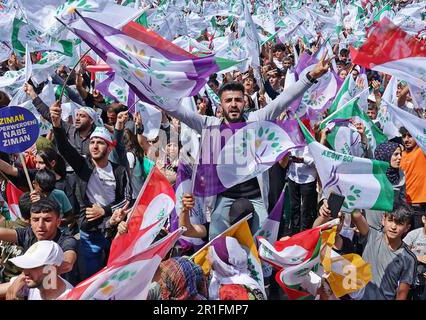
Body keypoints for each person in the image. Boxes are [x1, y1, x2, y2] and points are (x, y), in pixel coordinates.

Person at [165, 54, 331, 239]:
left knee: (263, 242)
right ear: (221, 104)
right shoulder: (210, 125)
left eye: (238, 100)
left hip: (256, 198)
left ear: (244, 102)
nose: (233, 105)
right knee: (216, 241)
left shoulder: (256, 120)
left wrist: (312, 76)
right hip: (223, 199)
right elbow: (176, 110)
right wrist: (144, 87)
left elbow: (285, 98)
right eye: (228, 101)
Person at [50, 101, 131, 279]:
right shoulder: (83, 166)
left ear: (109, 148)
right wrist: (56, 124)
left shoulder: (119, 171)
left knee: (116, 276)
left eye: (100, 143)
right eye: (92, 142)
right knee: (91, 279)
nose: (94, 146)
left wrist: (105, 210)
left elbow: (127, 199)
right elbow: (64, 147)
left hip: (115, 231)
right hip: (90, 234)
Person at [0, 198, 77, 276]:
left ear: (58, 222)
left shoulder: (66, 240)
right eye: (36, 220)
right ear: (30, 221)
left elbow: (67, 262)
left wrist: (21, 279)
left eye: (47, 220)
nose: (40, 225)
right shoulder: (27, 234)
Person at [351, 206, 417, 300]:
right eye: (390, 220)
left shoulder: (409, 258)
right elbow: (356, 215)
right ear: (383, 220)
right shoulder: (371, 236)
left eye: (399, 223)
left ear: (407, 228)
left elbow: (401, 294)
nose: (393, 227)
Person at [7, 240, 73, 300]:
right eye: (25, 266)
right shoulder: (35, 282)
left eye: (33, 266)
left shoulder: (71, 297)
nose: (25, 272)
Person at [399, 127, 426, 229]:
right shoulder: (399, 155)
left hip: (419, 207)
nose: (406, 139)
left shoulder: (422, 152)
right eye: (404, 136)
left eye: (410, 136)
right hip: (403, 206)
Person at [403, 213, 426, 300]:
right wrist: (417, 257)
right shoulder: (413, 235)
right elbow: (401, 254)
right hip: (408, 280)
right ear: (424, 219)